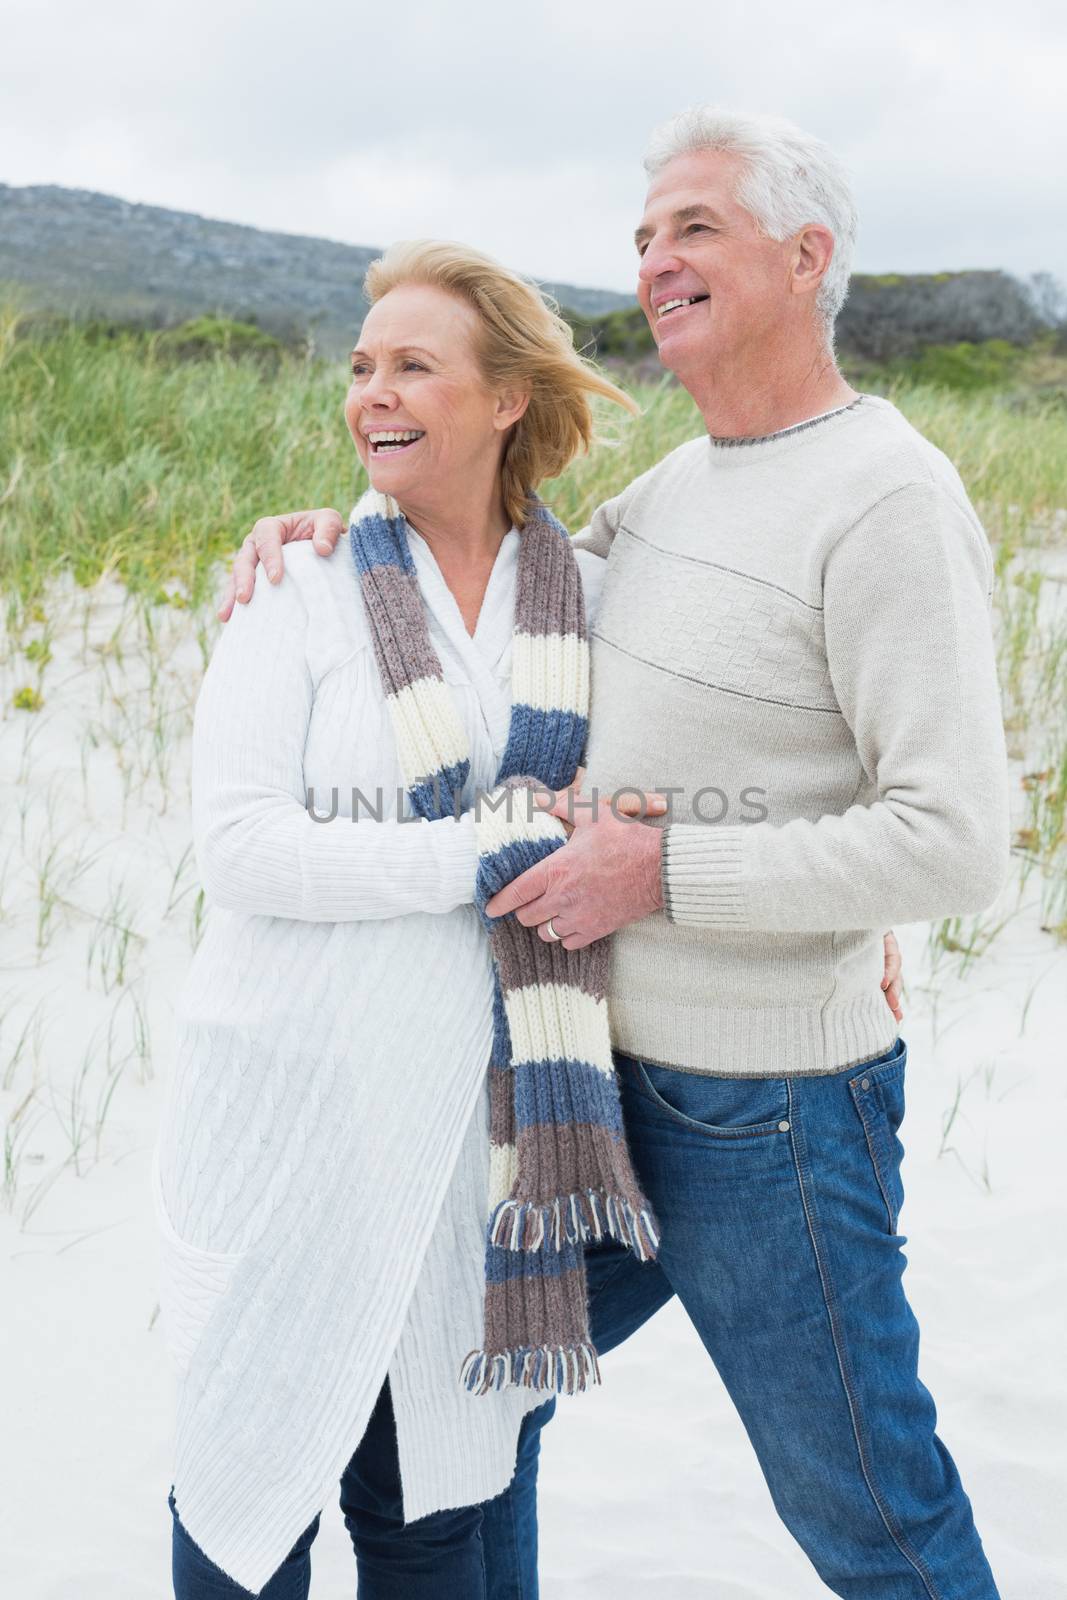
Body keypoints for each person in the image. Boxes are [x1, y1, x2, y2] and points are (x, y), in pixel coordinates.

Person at [223, 107, 1008, 1599]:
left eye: (693, 228)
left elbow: (955, 840)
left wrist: (665, 876)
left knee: (869, 1514)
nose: (654, 259)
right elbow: (499, 570)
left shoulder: (886, 496)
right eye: (643, 235)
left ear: (807, 257)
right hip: (577, 1084)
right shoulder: (684, 488)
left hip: (768, 1116)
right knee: (449, 1417)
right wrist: (339, 530)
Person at [154, 238, 674, 1599]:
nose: (370, 391)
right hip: (292, 1132)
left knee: (429, 1518)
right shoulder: (300, 588)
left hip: (473, 1167)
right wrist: (487, 852)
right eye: (361, 364)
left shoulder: (599, 607)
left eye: (412, 365)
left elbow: (660, 812)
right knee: (239, 1508)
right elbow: (247, 846)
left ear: (507, 397)